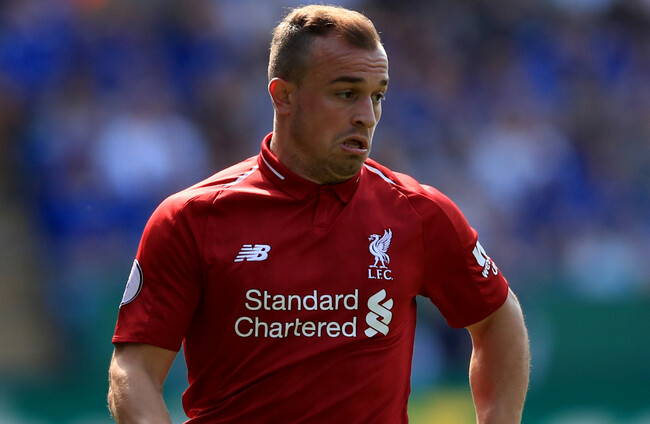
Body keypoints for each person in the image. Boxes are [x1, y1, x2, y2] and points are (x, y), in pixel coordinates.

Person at [108, 5, 530, 423]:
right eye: (346, 94)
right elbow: (135, 369)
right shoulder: (192, 218)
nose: (367, 116)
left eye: (377, 96)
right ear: (284, 96)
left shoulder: (417, 213)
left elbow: (498, 319)